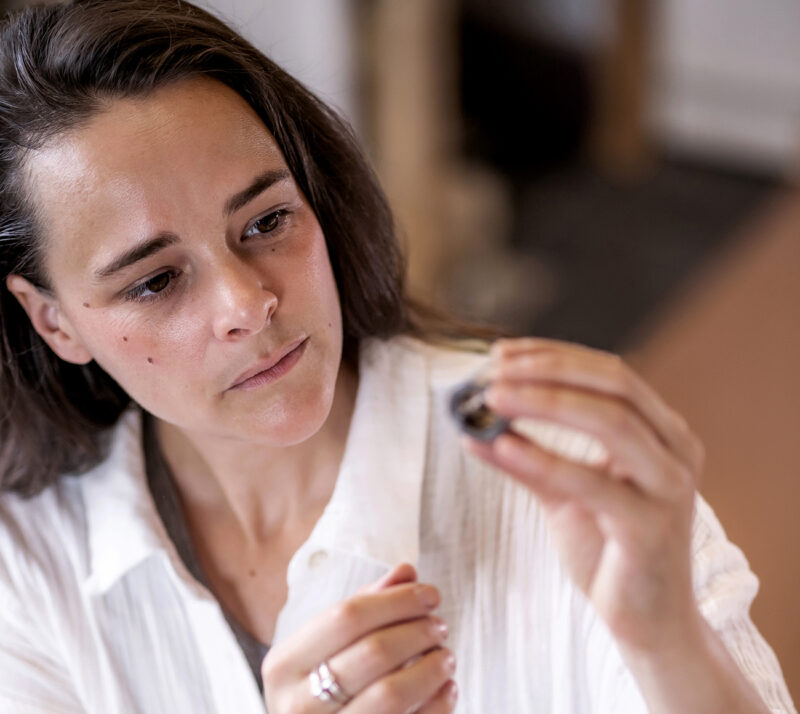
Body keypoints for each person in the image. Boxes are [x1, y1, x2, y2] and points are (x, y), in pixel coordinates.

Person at [0, 1, 795, 713]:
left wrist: (666, 641)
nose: (248, 304)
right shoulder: (26, 567)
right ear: (53, 320)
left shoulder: (567, 474)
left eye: (267, 221)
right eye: (157, 281)